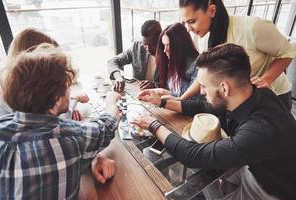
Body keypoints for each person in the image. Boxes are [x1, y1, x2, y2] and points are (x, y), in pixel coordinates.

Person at [132, 44, 296, 199]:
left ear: (224, 88)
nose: (201, 91)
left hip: (271, 189)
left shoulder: (260, 130)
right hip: (255, 164)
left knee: (200, 161)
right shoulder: (253, 92)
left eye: (203, 86)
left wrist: (153, 125)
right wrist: (161, 102)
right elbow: (205, 107)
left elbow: (192, 155)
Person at [0, 43, 120, 199]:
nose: (70, 91)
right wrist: (111, 101)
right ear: (56, 98)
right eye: (68, 86)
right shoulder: (72, 136)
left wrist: (91, 158)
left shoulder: (0, 127)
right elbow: (107, 125)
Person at [178, 0, 296, 111]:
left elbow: (287, 52)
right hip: (243, 100)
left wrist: (266, 79)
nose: (188, 29)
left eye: (192, 21)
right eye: (185, 23)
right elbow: (204, 75)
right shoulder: (203, 38)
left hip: (274, 96)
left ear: (212, 10)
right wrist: (182, 99)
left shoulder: (252, 28)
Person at [0, 28, 88, 120]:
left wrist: (69, 106)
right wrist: (70, 104)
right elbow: (49, 119)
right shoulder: (26, 95)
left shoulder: (13, 84)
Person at [108, 20, 162, 92]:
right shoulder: (137, 47)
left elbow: (172, 87)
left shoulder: (168, 53)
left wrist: (154, 86)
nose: (148, 48)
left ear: (160, 39)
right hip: (138, 94)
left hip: (159, 98)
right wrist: (118, 77)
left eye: (152, 45)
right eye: (145, 44)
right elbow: (113, 61)